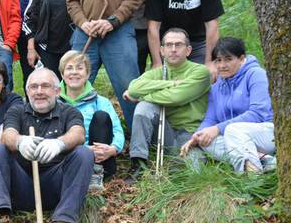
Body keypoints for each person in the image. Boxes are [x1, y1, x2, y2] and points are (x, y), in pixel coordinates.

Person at [0, 68, 93, 223]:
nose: (39, 91)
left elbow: (78, 134)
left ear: (57, 91)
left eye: (45, 86)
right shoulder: (17, 111)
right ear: (27, 92)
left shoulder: (70, 112)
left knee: (84, 154)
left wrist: (60, 143)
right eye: (34, 87)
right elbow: (8, 135)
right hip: (22, 187)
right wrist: (19, 141)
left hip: (57, 187)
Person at [66, 0, 143, 129]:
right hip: (86, 32)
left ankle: (139, 144)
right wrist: (83, 23)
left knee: (129, 86)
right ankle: (67, 138)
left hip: (117, 31)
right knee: (72, 84)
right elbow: (72, 1)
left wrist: (112, 21)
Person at [122, 28, 210, 180]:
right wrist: (171, 83)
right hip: (162, 131)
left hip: (190, 135)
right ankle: (138, 163)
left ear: (188, 50)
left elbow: (176, 97)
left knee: (194, 175)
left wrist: (143, 95)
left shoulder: (201, 72)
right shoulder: (157, 72)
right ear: (161, 50)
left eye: (178, 45)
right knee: (144, 107)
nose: (173, 49)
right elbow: (134, 87)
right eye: (169, 45)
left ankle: (175, 167)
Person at [180, 37, 275, 173]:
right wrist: (196, 136)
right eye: (218, 60)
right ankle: (262, 160)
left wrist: (218, 129)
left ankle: (252, 178)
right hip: (236, 139)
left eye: (228, 59)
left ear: (241, 58)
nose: (222, 65)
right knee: (205, 140)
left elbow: (258, 113)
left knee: (232, 130)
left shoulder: (256, 75)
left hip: (266, 132)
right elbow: (210, 119)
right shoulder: (217, 84)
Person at [58, 51, 124, 191]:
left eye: (79, 68)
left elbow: (118, 131)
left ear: (87, 74)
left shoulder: (101, 101)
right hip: (68, 159)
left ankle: (96, 174)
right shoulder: (54, 103)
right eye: (69, 68)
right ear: (63, 74)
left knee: (101, 116)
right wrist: (82, 151)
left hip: (101, 159)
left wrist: (112, 149)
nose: (74, 72)